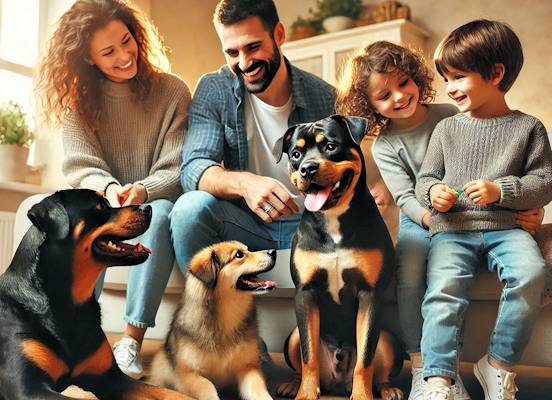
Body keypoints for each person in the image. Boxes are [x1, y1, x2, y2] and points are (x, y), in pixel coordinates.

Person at [336, 40, 545, 400]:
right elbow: (405, 196)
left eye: (404, 83)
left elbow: (503, 166)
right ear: (369, 106)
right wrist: (433, 218)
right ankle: (424, 367)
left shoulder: (453, 113)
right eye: (384, 95)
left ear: (417, 78)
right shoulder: (386, 145)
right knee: (411, 268)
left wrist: (528, 205)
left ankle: (470, 367)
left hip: (475, 213)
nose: (400, 97)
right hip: (423, 218)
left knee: (519, 269)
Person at [36, 0, 191, 380]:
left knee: (157, 217)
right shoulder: (78, 104)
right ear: (87, 59)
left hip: (155, 202)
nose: (125, 56)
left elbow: (176, 165)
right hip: (105, 201)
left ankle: (131, 343)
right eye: (109, 52)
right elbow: (80, 164)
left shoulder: (172, 92)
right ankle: (72, 337)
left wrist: (142, 190)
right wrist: (108, 189)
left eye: (126, 41)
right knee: (84, 219)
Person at [415, 20, 552, 400]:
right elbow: (425, 179)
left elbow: (545, 182)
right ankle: (438, 380)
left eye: (459, 77)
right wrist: (434, 193)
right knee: (442, 290)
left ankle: (498, 366)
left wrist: (501, 190)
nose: (450, 87)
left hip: (507, 229)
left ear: (496, 73)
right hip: (452, 230)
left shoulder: (529, 128)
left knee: (531, 274)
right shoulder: (446, 130)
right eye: (447, 78)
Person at [169, 0, 335, 271]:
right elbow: (194, 168)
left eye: (253, 47)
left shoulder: (325, 97)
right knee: (189, 209)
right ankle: (205, 310)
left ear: (278, 35)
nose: (244, 63)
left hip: (312, 227)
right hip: (246, 227)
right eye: (232, 52)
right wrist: (247, 184)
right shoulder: (214, 89)